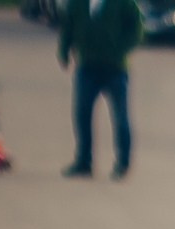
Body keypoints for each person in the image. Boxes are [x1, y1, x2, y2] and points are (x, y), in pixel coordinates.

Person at [58, 0, 142, 180]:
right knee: (82, 113)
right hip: (87, 66)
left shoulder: (124, 3)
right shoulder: (77, 3)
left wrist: (120, 49)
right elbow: (68, 26)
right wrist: (64, 50)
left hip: (116, 68)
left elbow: (136, 28)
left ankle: (123, 163)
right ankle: (84, 161)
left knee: (120, 117)